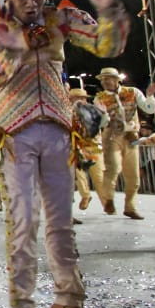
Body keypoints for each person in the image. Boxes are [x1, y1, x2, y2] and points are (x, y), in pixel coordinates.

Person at [0, 0, 131, 308]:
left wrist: (107, 9)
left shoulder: (60, 18)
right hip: (13, 130)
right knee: (24, 219)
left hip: (59, 127)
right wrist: (20, 42)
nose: (32, 3)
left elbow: (108, 46)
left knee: (61, 222)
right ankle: (24, 306)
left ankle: (69, 299)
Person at [93, 66, 155, 220]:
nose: (105, 81)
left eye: (108, 78)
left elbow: (148, 109)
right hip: (112, 135)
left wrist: (150, 95)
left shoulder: (133, 92)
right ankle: (108, 199)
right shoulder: (100, 98)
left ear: (117, 80)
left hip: (131, 136)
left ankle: (130, 207)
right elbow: (102, 121)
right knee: (113, 168)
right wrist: (103, 115)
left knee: (133, 174)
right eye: (103, 79)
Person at [67, 85, 106, 215]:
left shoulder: (94, 110)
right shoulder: (67, 112)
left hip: (94, 147)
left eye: (81, 98)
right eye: (75, 98)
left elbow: (105, 122)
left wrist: (103, 113)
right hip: (77, 147)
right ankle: (85, 195)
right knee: (78, 174)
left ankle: (106, 203)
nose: (79, 100)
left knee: (99, 176)